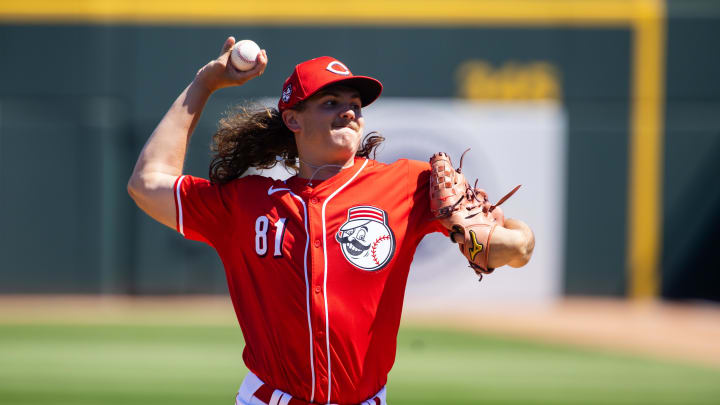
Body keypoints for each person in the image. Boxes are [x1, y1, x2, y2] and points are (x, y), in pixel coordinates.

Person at [128, 36, 535, 405]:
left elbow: (511, 250)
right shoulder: (248, 203)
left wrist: (510, 237)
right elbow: (147, 184)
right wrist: (204, 84)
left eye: (355, 106)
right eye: (330, 103)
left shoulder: (409, 185)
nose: (348, 113)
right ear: (293, 119)